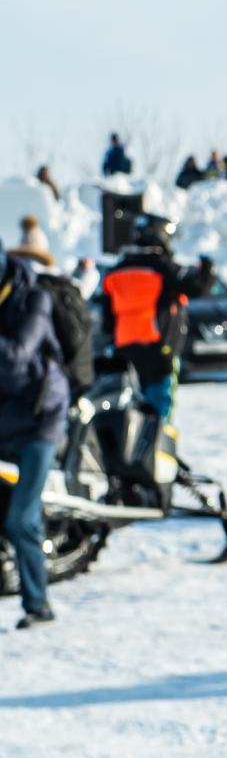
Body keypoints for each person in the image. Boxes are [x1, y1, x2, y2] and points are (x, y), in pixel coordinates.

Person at [0, 251, 67, 629]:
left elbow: (15, 358)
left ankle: (38, 605)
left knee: (21, 518)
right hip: (7, 418)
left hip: (41, 419)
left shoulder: (33, 300)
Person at [98, 214, 213, 419]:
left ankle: (139, 434)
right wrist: (207, 269)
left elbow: (108, 317)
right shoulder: (163, 267)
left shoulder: (117, 269)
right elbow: (196, 287)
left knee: (136, 398)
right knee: (160, 397)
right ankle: (158, 433)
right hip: (159, 344)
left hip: (126, 344)